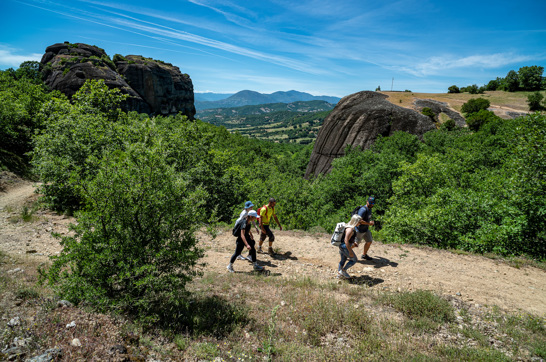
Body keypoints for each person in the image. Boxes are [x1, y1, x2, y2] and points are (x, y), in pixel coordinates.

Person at [338, 214, 367, 278]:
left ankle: (339, 274)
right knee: (354, 260)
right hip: (344, 247)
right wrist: (350, 251)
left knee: (343, 260)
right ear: (356, 221)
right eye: (359, 222)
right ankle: (343, 271)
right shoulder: (350, 229)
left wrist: (353, 242)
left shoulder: (347, 226)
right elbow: (346, 240)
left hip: (341, 246)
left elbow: (347, 238)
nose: (360, 223)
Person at [355, 196, 376, 260]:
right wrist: (369, 223)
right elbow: (359, 220)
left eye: (373, 203)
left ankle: (364, 255)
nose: (371, 204)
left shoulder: (370, 209)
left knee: (369, 241)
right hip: (359, 230)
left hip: (366, 229)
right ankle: (345, 251)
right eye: (370, 203)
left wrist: (368, 223)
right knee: (355, 244)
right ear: (367, 201)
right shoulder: (363, 210)